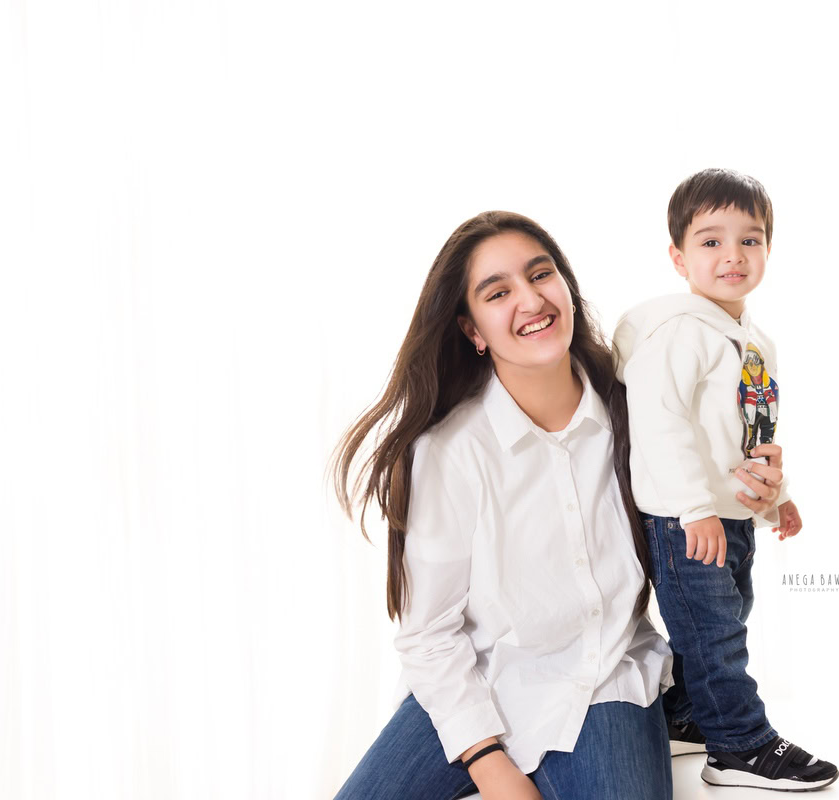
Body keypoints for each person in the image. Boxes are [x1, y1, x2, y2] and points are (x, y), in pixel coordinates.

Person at [329, 210, 788, 800]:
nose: (530, 300)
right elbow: (428, 635)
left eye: (540, 275)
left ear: (567, 287)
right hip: (478, 681)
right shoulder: (448, 450)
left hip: (608, 682)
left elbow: (707, 476)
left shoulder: (637, 410)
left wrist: (760, 486)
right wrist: (489, 764)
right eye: (498, 292)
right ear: (473, 330)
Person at [612, 169, 839, 791]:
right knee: (713, 634)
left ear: (769, 250)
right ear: (678, 256)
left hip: (729, 513)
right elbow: (659, 425)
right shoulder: (679, 332)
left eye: (751, 239)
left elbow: (749, 432)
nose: (733, 255)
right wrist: (693, 508)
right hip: (686, 518)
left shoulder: (752, 340)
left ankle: (686, 715)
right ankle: (739, 744)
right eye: (711, 241)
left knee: (729, 616)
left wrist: (778, 500)